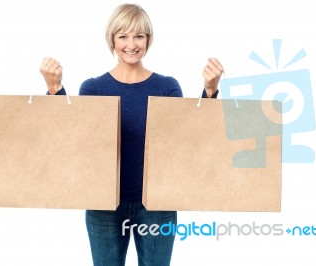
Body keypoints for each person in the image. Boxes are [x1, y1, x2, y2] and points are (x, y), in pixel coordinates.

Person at [40, 3, 223, 266]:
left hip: (157, 205)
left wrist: (210, 92)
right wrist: (55, 89)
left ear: (148, 39)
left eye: (139, 35)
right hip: (104, 205)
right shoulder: (93, 88)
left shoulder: (167, 87)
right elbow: (72, 141)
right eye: (123, 36)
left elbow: (190, 141)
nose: (131, 44)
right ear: (112, 40)